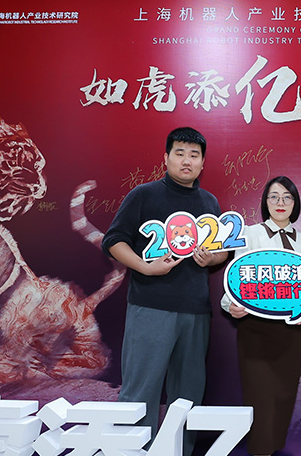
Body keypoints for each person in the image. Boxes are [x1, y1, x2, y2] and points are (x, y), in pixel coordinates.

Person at [102, 127, 227, 455]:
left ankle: (178, 451)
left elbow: (222, 251)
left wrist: (211, 258)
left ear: (202, 163)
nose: (187, 160)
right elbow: (113, 240)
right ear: (166, 158)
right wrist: (145, 267)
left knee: (187, 395)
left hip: (196, 311)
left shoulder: (209, 202)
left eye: (194, 155)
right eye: (180, 153)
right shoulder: (143, 195)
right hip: (151, 306)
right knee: (140, 391)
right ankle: (132, 451)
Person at [221, 176, 301, 456]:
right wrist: (230, 306)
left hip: (290, 331)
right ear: (265, 202)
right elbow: (235, 280)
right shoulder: (250, 234)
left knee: (284, 396)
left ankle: (273, 449)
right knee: (259, 397)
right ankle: (260, 451)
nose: (280, 202)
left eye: (287, 197)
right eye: (274, 197)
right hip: (255, 329)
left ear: (295, 203)